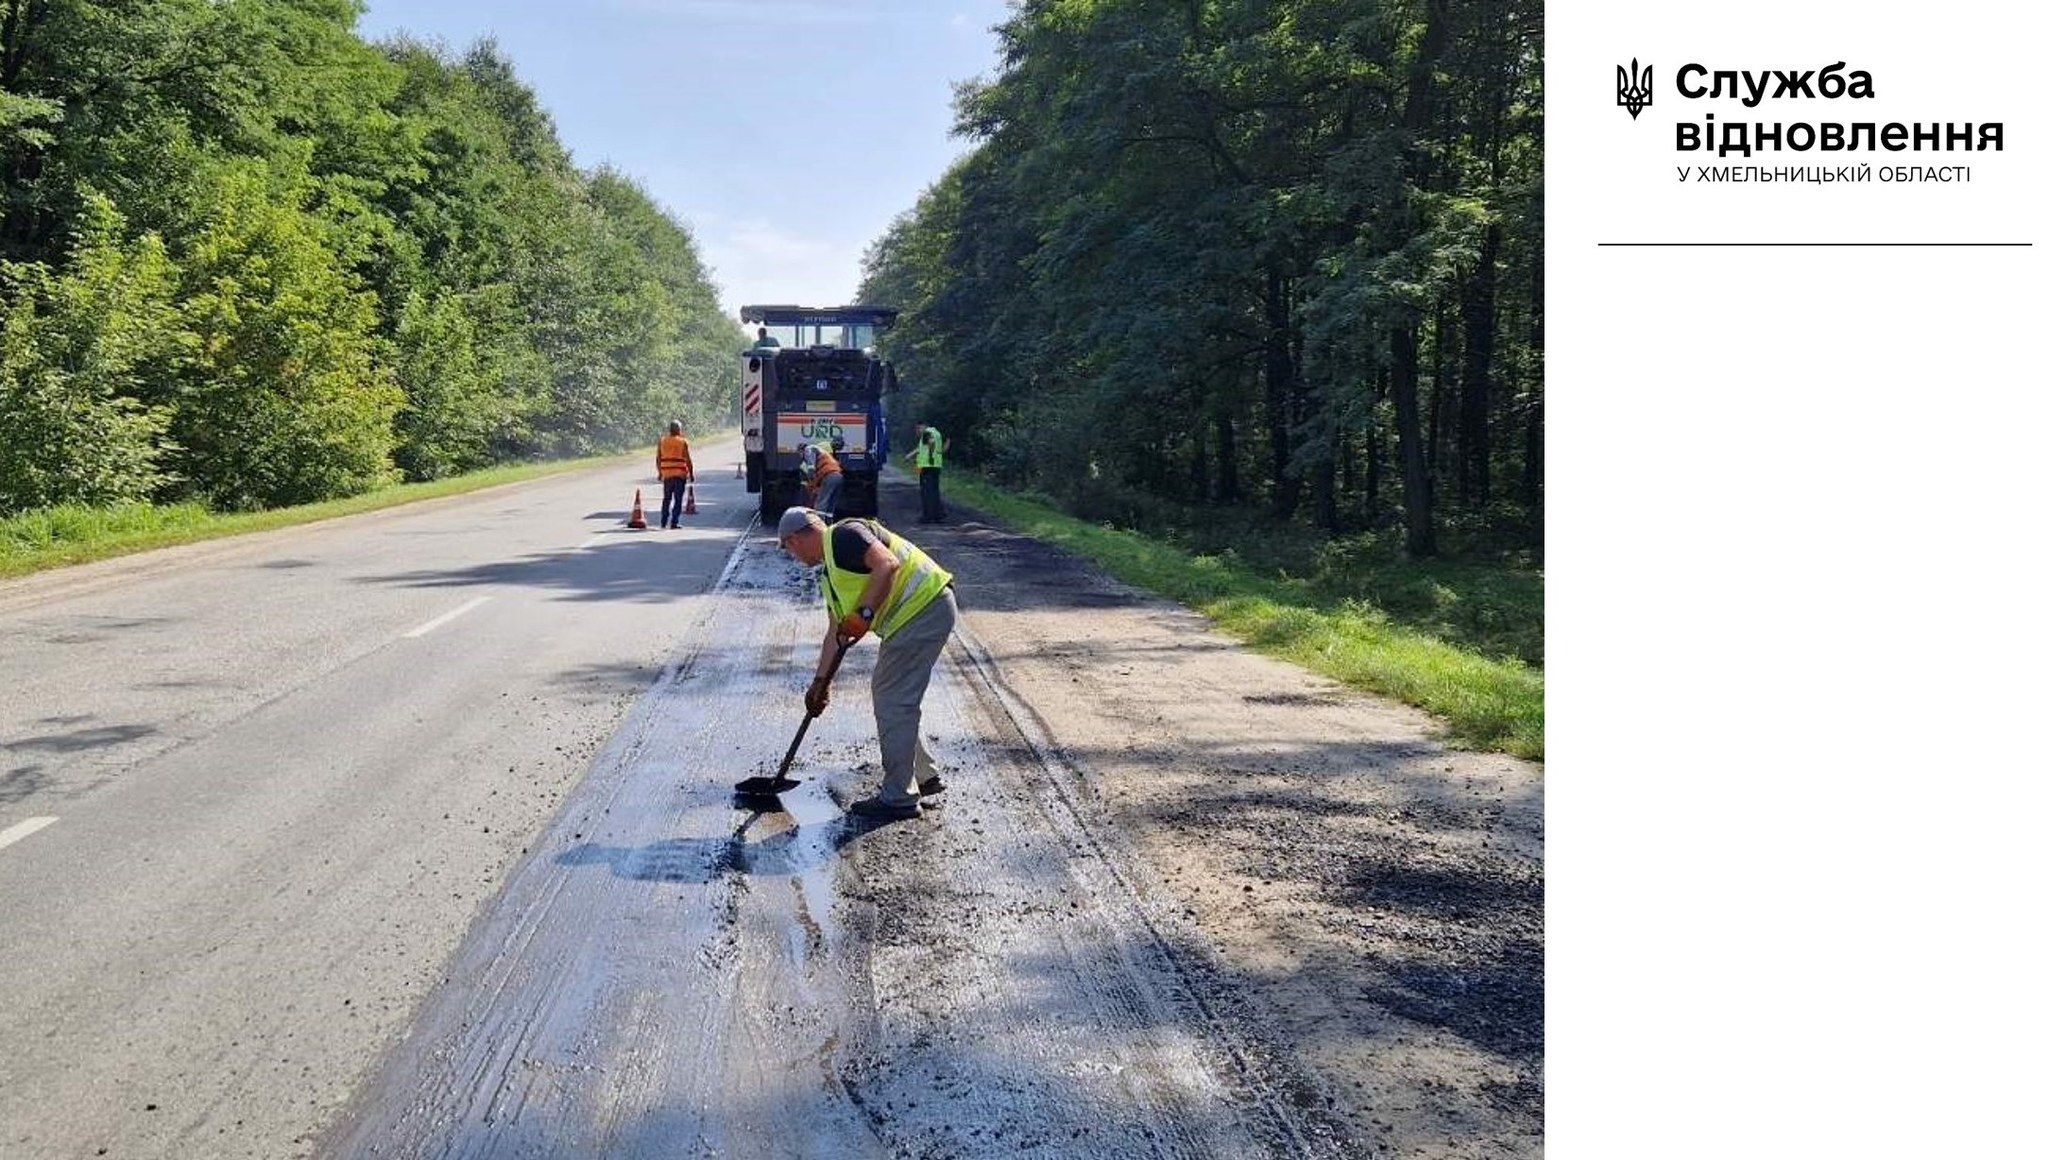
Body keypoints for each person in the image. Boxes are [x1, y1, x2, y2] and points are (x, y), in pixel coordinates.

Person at [776, 506, 956, 819]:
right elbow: (836, 632)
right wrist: (820, 684)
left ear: (793, 540)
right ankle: (924, 777)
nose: (792, 556)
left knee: (892, 699)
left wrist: (866, 614)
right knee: (895, 698)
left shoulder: (844, 535)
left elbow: (887, 564)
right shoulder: (831, 572)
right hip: (921, 612)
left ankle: (899, 796)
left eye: (787, 549)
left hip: (923, 608)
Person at [905, 423, 949, 522]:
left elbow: (927, 445)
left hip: (927, 466)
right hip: (936, 466)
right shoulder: (936, 433)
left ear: (922, 427)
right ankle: (938, 515)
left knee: (927, 492)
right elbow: (945, 445)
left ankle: (928, 516)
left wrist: (910, 455)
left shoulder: (927, 433)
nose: (917, 432)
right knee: (934, 491)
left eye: (918, 429)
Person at [655, 421, 694, 528]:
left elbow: (658, 458)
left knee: (666, 499)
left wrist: (659, 473)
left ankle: (663, 522)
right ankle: (674, 522)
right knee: (678, 499)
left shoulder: (662, 441)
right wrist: (691, 473)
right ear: (678, 430)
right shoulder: (682, 442)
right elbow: (688, 459)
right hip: (680, 475)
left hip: (667, 474)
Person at [801, 438, 844, 517]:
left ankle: (818, 526)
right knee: (830, 505)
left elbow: (812, 471)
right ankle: (828, 525)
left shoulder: (808, 449)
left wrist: (812, 487)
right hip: (838, 476)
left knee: (820, 504)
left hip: (829, 475)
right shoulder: (826, 454)